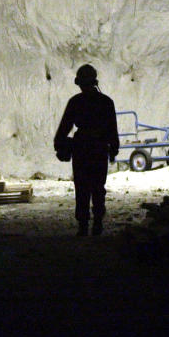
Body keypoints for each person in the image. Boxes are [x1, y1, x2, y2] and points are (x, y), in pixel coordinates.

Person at [54, 64, 120, 236]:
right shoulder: (106, 102)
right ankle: (97, 223)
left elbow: (64, 127)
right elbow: (112, 129)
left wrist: (60, 145)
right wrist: (113, 149)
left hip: (81, 148)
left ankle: (83, 225)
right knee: (98, 186)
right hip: (98, 148)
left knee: (82, 187)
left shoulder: (75, 102)